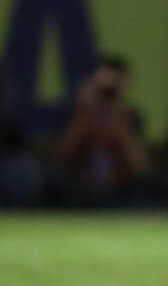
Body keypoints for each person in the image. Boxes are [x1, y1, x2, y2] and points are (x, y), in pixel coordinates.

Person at [55, 55, 150, 206]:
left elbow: (140, 167)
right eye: (104, 88)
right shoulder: (80, 115)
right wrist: (86, 114)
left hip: (122, 191)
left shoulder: (131, 118)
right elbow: (61, 159)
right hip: (81, 190)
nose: (108, 93)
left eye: (113, 89)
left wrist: (119, 124)